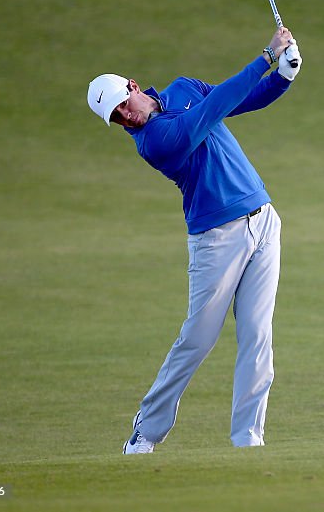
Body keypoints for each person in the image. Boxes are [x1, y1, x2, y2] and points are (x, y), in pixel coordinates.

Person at [86, 27, 302, 453]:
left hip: (264, 221)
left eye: (122, 107)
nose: (124, 118)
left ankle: (248, 439)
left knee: (258, 336)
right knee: (198, 339)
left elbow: (237, 101)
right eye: (115, 119)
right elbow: (212, 108)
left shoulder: (184, 88)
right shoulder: (153, 143)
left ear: (132, 86)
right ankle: (146, 430)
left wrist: (282, 77)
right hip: (216, 239)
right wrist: (265, 57)